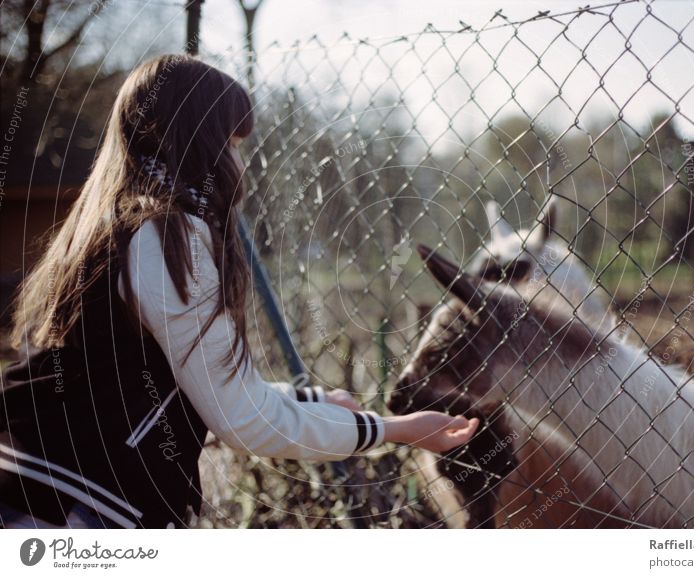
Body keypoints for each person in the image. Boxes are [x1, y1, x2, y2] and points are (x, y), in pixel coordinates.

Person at [0, 55, 478, 529]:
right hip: (69, 510)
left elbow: (196, 385)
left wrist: (307, 401)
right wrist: (393, 430)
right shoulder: (165, 239)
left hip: (36, 482)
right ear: (197, 144)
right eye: (231, 142)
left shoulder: (112, 226)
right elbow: (242, 419)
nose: (239, 161)